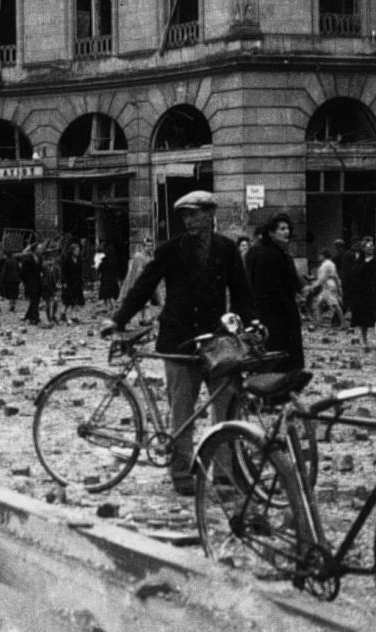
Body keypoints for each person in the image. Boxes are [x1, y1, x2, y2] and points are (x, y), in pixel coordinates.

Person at [101, 191, 256, 496]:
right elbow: (144, 285)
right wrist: (118, 320)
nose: (189, 220)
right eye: (185, 215)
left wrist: (250, 323)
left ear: (211, 214)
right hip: (179, 341)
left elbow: (241, 291)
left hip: (216, 340)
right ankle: (182, 475)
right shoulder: (170, 250)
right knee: (181, 411)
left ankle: (224, 475)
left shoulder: (226, 249)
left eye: (195, 214)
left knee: (225, 409)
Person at [245, 213, 304, 372]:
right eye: (282, 229)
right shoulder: (272, 255)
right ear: (271, 233)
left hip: (264, 316)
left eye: (288, 229)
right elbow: (273, 288)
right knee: (280, 362)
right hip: (277, 317)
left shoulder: (258, 251)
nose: (287, 232)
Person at [349, 236, 376, 351]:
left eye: (372, 246)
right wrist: (365, 262)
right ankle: (364, 342)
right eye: (368, 247)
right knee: (363, 319)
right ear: (363, 249)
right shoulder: (359, 261)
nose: (371, 248)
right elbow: (355, 275)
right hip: (363, 293)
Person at [120, 237, 157, 325]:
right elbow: (138, 271)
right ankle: (137, 319)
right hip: (139, 282)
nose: (150, 248)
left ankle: (144, 319)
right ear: (143, 247)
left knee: (144, 302)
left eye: (151, 246)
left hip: (147, 282)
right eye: (148, 246)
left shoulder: (150, 256)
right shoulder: (139, 256)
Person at [307, 249, 343, 327]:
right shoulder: (328, 264)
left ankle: (342, 323)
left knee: (334, 304)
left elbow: (323, 277)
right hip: (328, 285)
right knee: (318, 304)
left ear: (324, 256)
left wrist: (314, 285)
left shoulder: (327, 264)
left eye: (320, 255)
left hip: (328, 285)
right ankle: (318, 321)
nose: (318, 257)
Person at [59, 241, 84, 323]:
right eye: (76, 250)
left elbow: (80, 272)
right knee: (67, 300)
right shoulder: (67, 260)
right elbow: (63, 272)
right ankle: (63, 313)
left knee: (75, 300)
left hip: (77, 282)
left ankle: (73, 316)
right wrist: (64, 282)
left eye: (79, 250)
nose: (78, 252)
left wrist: (81, 281)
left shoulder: (79, 260)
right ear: (72, 251)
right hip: (69, 282)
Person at [20, 242, 43, 325]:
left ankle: (28, 316)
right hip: (30, 283)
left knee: (36, 300)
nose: (41, 250)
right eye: (39, 248)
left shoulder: (40, 259)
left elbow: (40, 270)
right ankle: (35, 317)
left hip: (38, 283)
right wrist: (26, 282)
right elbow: (23, 272)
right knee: (34, 300)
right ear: (34, 250)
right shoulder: (27, 259)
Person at [97, 243, 120, 311]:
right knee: (111, 294)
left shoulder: (104, 259)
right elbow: (117, 269)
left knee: (106, 294)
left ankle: (110, 307)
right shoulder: (115, 259)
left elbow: (100, 268)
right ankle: (109, 307)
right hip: (113, 278)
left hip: (105, 278)